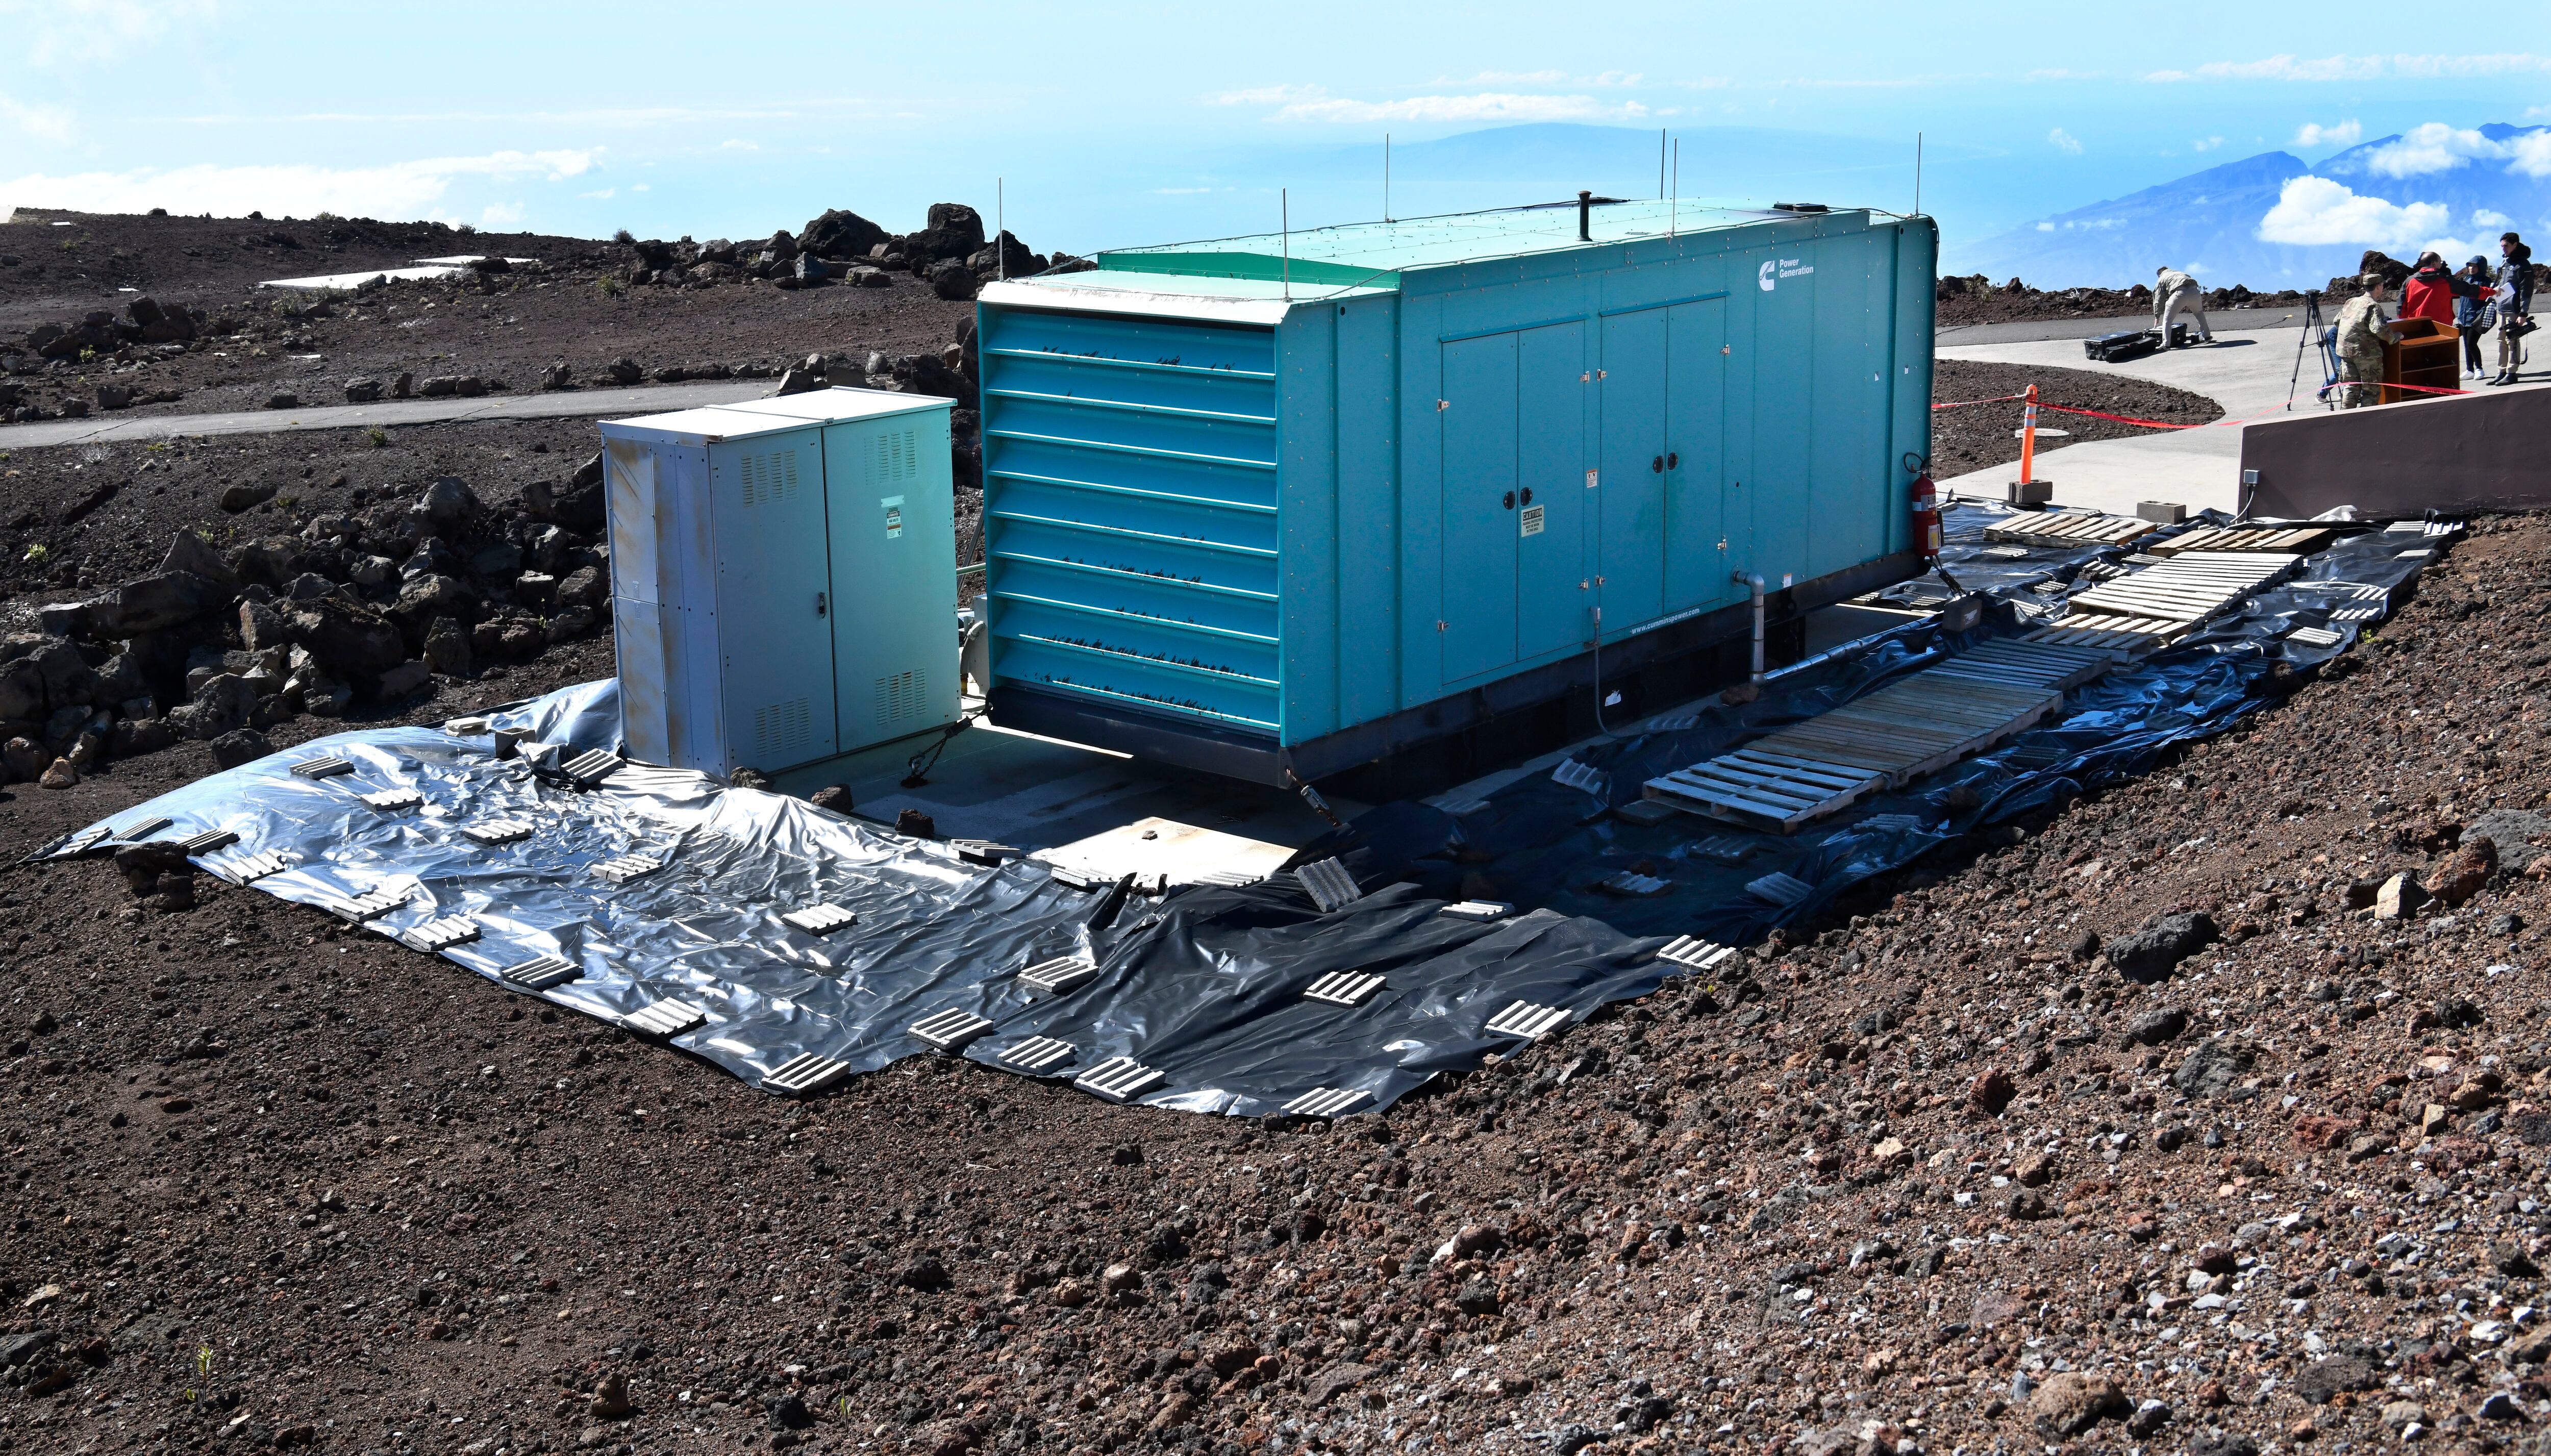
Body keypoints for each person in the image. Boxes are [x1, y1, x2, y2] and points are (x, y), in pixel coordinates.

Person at [2333, 274, 2400, 409]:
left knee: (2351, 387)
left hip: (2345, 351)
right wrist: (2395, 337)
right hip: (2365, 354)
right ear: (2378, 287)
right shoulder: (2373, 306)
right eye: (2382, 285)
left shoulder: (2351, 302)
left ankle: (2345, 420)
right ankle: (2366, 423)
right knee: (2372, 390)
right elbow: (2378, 329)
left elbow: (2337, 322)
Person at [2488, 231, 2535, 386]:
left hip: (2514, 310)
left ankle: (2511, 373)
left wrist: (2523, 313)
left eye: (2506, 246)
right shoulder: (2506, 263)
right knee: (2501, 340)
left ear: (2515, 245)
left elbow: (2527, 291)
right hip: (2501, 307)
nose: (2503, 249)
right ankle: (2501, 371)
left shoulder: (2523, 265)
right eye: (2502, 246)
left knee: (2512, 340)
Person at [2400, 251, 2472, 325]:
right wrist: (2485, 292)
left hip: (2416, 325)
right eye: (2440, 262)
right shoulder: (2445, 280)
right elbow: (2467, 290)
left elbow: (2401, 305)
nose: (2441, 264)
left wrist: (2404, 324)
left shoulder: (2409, 281)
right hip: (2442, 325)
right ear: (2434, 263)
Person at [2153, 265, 2212, 346]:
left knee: (2167, 319)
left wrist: (2157, 315)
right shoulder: (2178, 273)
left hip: (2180, 293)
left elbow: (2158, 298)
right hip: (2195, 291)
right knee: (2199, 313)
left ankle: (2166, 344)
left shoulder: (2161, 279)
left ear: (2159, 275)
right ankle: (2207, 336)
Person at [2456, 256, 2495, 376]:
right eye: (2470, 266)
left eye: (2475, 266)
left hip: (2476, 318)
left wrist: (2479, 313)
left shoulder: (2486, 281)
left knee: (2471, 343)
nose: (2471, 268)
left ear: (2481, 267)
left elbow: (2488, 300)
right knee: (2466, 344)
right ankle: (2470, 370)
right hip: (2463, 318)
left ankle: (2479, 368)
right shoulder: (2466, 279)